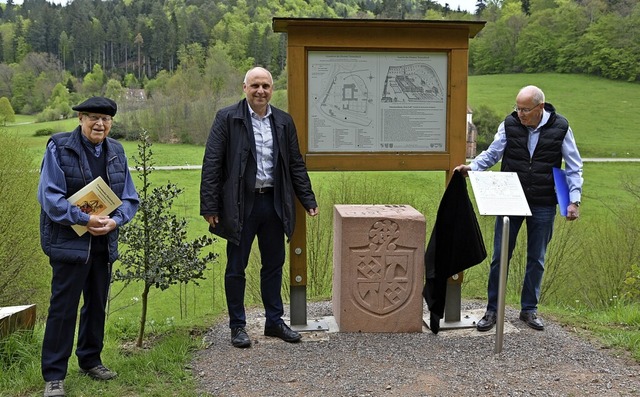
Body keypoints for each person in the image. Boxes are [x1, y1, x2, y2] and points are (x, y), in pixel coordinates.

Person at [200, 67, 319, 348]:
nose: (260, 91)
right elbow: (212, 164)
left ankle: (274, 322)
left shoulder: (283, 121)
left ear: (272, 89)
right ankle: (238, 326)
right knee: (236, 267)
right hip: (240, 205)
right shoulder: (227, 118)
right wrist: (209, 205)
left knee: (274, 265)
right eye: (255, 85)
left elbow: (295, 164)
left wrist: (308, 198)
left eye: (265, 85)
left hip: (274, 203)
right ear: (244, 88)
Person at [455, 85, 583, 332]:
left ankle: (529, 310)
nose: (520, 114)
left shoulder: (561, 127)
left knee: (537, 258)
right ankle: (492, 310)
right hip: (509, 197)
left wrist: (573, 201)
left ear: (540, 108)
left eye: (525, 110)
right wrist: (473, 168)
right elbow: (494, 153)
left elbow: (574, 165)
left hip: (544, 200)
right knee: (500, 256)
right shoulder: (509, 123)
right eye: (518, 108)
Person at [38, 97, 139, 397]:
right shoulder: (59, 147)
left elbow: (130, 197)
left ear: (111, 123)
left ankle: (90, 360)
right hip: (69, 243)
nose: (100, 124)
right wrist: (83, 218)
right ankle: (54, 375)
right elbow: (50, 197)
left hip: (102, 242)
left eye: (106, 119)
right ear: (81, 118)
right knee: (63, 308)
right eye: (94, 117)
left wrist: (115, 221)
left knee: (96, 304)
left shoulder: (117, 151)